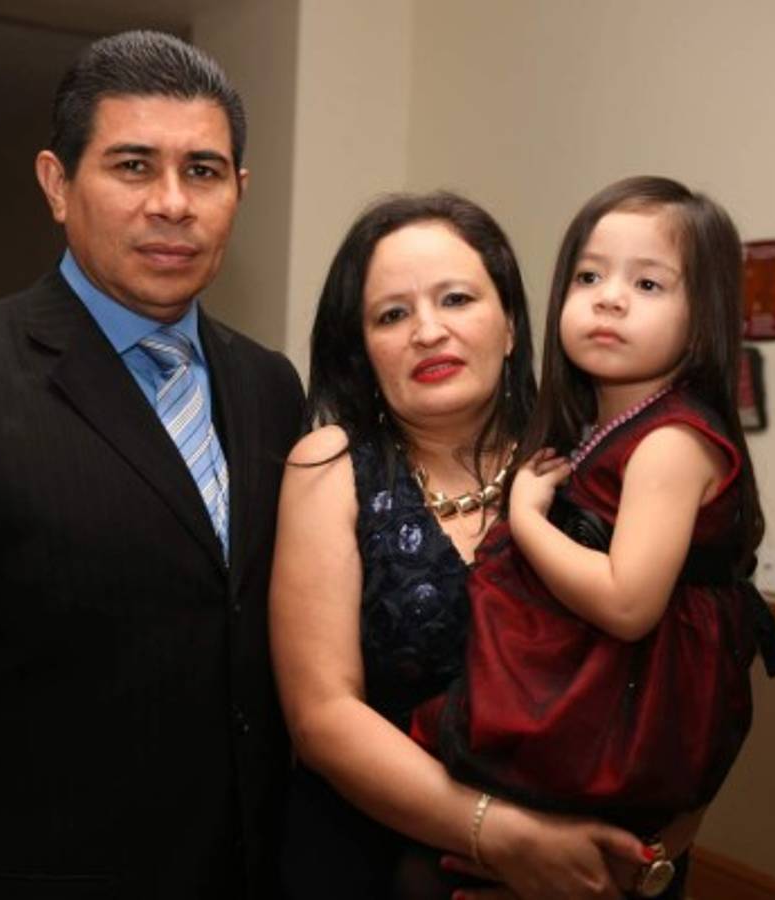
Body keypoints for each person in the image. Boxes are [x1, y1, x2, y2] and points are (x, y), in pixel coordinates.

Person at [0, 30, 305, 899]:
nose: (173, 204)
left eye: (203, 171)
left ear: (239, 191)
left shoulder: (269, 386)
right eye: (133, 166)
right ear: (56, 184)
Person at [270, 192, 692, 900]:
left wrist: (641, 859)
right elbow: (322, 715)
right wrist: (499, 834)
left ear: (510, 325)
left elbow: (694, 665)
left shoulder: (601, 459)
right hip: (376, 861)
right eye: (391, 315)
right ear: (362, 351)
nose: (427, 331)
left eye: (457, 299)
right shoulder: (330, 466)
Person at [410, 176, 775, 898]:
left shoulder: (671, 442)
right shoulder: (605, 425)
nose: (609, 298)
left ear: (703, 316)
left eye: (647, 284)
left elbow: (627, 604)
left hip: (626, 725)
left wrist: (526, 518)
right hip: (591, 710)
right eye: (589, 276)